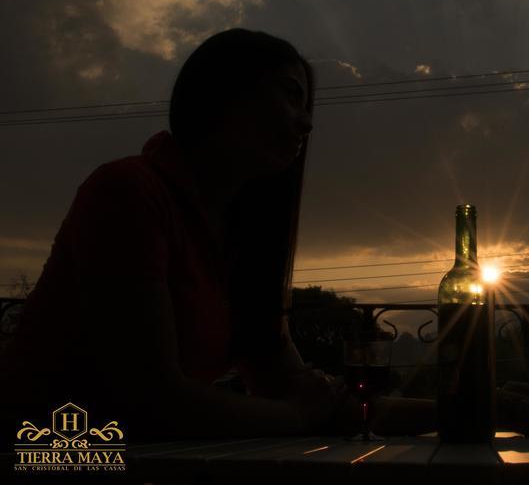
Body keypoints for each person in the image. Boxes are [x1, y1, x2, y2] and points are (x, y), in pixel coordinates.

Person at [0, 28, 422, 441]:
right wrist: (296, 416)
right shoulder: (128, 191)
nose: (307, 123)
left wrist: (465, 406)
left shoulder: (242, 239)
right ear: (226, 94)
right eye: (291, 96)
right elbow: (153, 399)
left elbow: (303, 393)